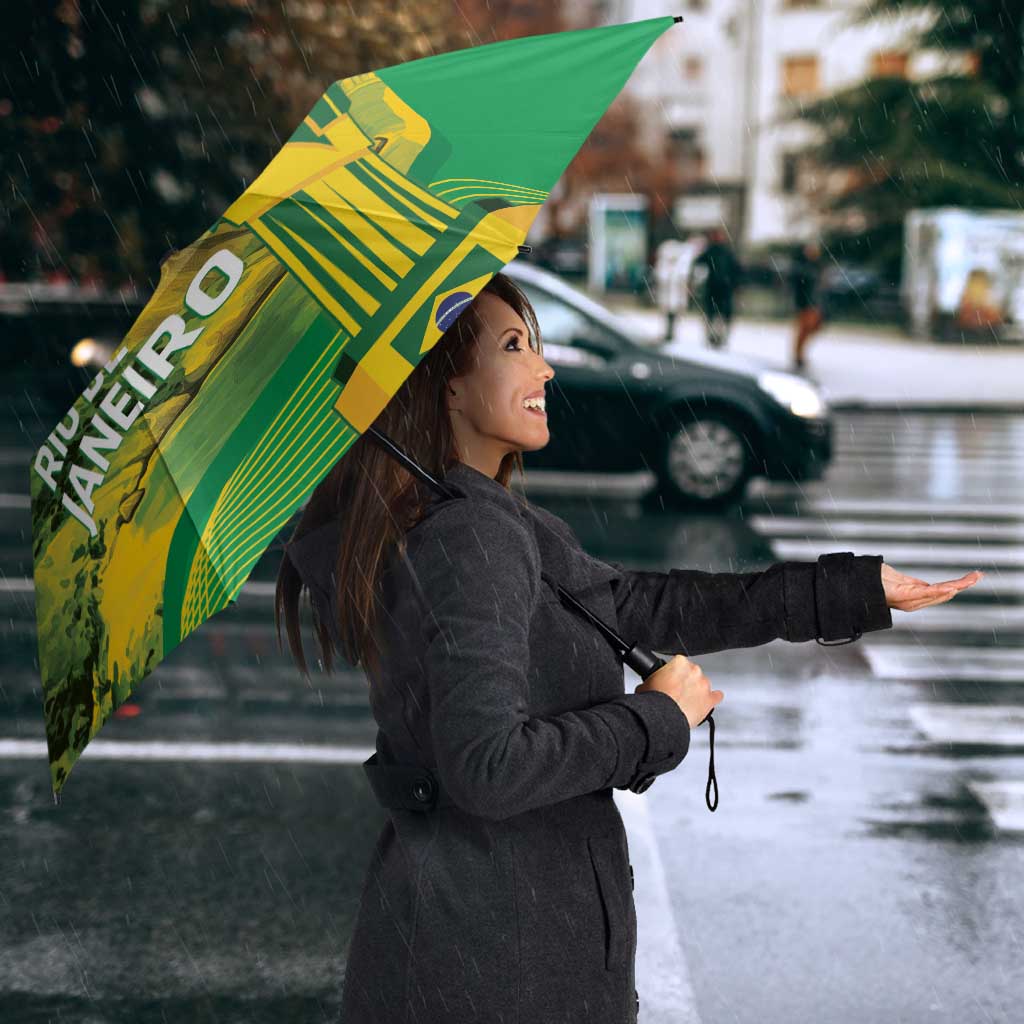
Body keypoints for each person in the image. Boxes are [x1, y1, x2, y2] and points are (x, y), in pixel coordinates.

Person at [276, 272, 978, 1024]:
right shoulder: (470, 537)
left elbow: (641, 605)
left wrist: (848, 591)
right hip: (498, 963)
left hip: (480, 943)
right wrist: (655, 719)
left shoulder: (476, 517)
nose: (544, 368)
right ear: (446, 386)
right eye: (514, 346)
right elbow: (487, 767)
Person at [692, 226, 742, 349]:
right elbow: (698, 264)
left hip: (723, 288)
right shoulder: (712, 251)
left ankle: (719, 337)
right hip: (715, 288)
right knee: (713, 314)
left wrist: (735, 284)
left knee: (720, 315)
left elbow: (736, 270)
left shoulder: (725, 252)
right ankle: (713, 337)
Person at [790, 239, 826, 371]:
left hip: (814, 303)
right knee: (804, 329)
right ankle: (798, 355)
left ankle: (800, 354)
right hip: (805, 303)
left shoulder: (817, 266)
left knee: (812, 328)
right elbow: (799, 286)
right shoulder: (802, 267)